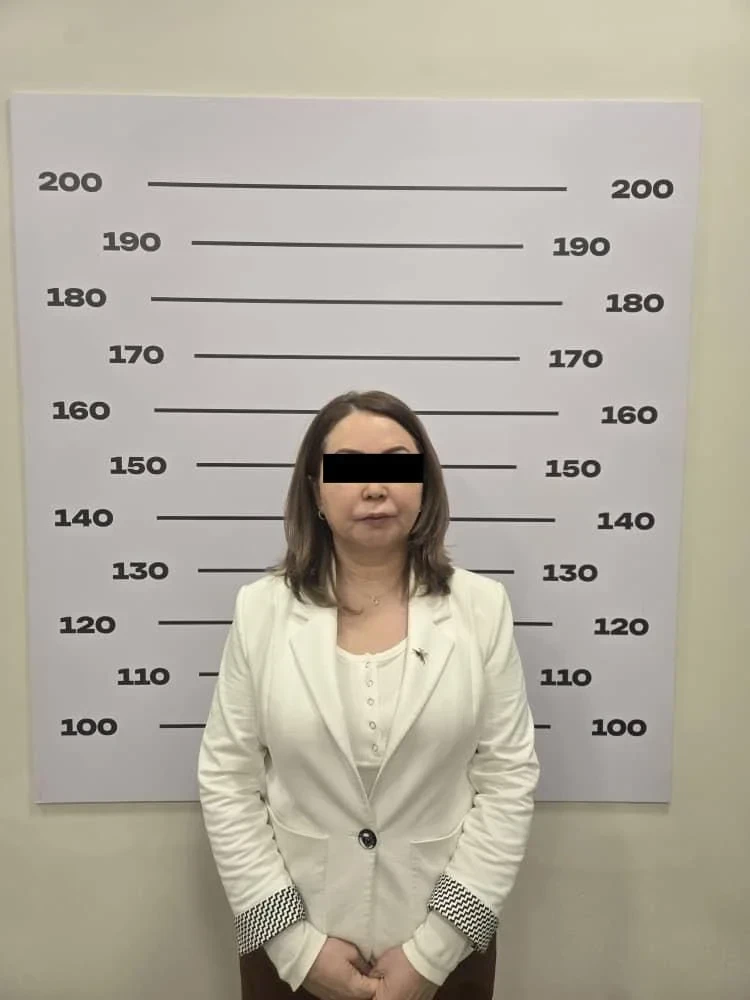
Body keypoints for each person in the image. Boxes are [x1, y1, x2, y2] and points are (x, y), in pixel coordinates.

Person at [198, 389, 540, 999]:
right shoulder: (261, 610)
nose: (376, 488)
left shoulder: (482, 608)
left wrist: (433, 953)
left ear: (424, 485)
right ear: (315, 492)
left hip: (446, 951)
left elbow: (508, 779)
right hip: (293, 952)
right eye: (350, 468)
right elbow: (228, 779)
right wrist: (295, 947)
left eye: (397, 467)